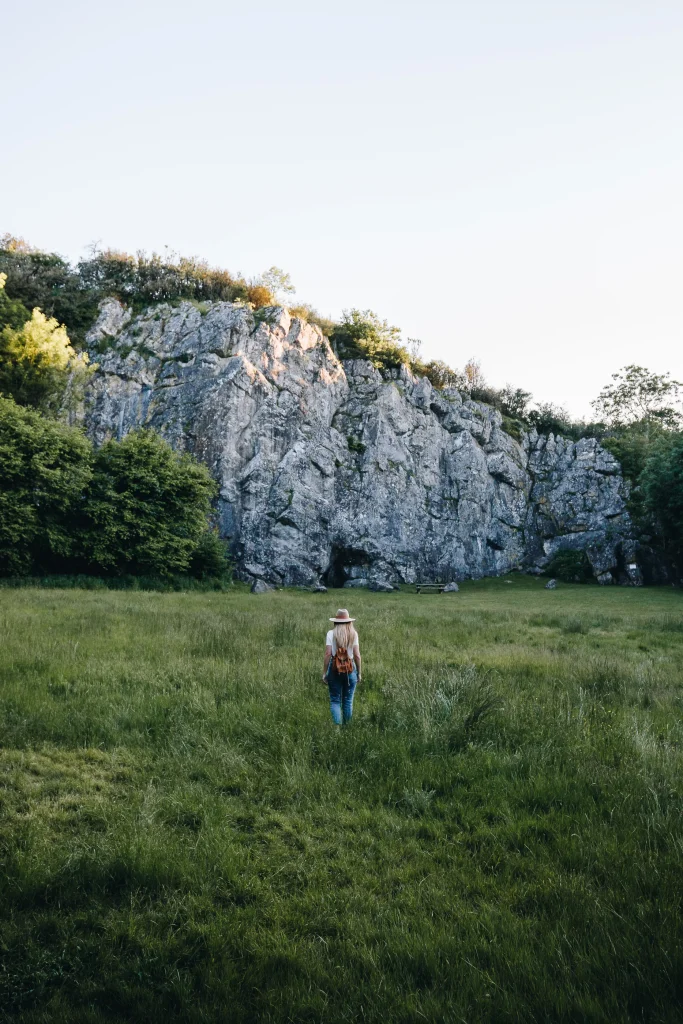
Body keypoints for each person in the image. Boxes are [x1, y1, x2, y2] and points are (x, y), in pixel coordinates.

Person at [323, 609, 362, 725]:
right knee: (348, 701)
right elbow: (357, 655)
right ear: (349, 621)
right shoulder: (353, 634)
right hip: (351, 669)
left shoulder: (331, 633)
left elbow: (328, 654)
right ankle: (347, 728)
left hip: (334, 669)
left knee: (335, 701)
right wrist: (359, 672)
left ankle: (337, 730)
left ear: (336, 621)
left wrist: (324, 673)